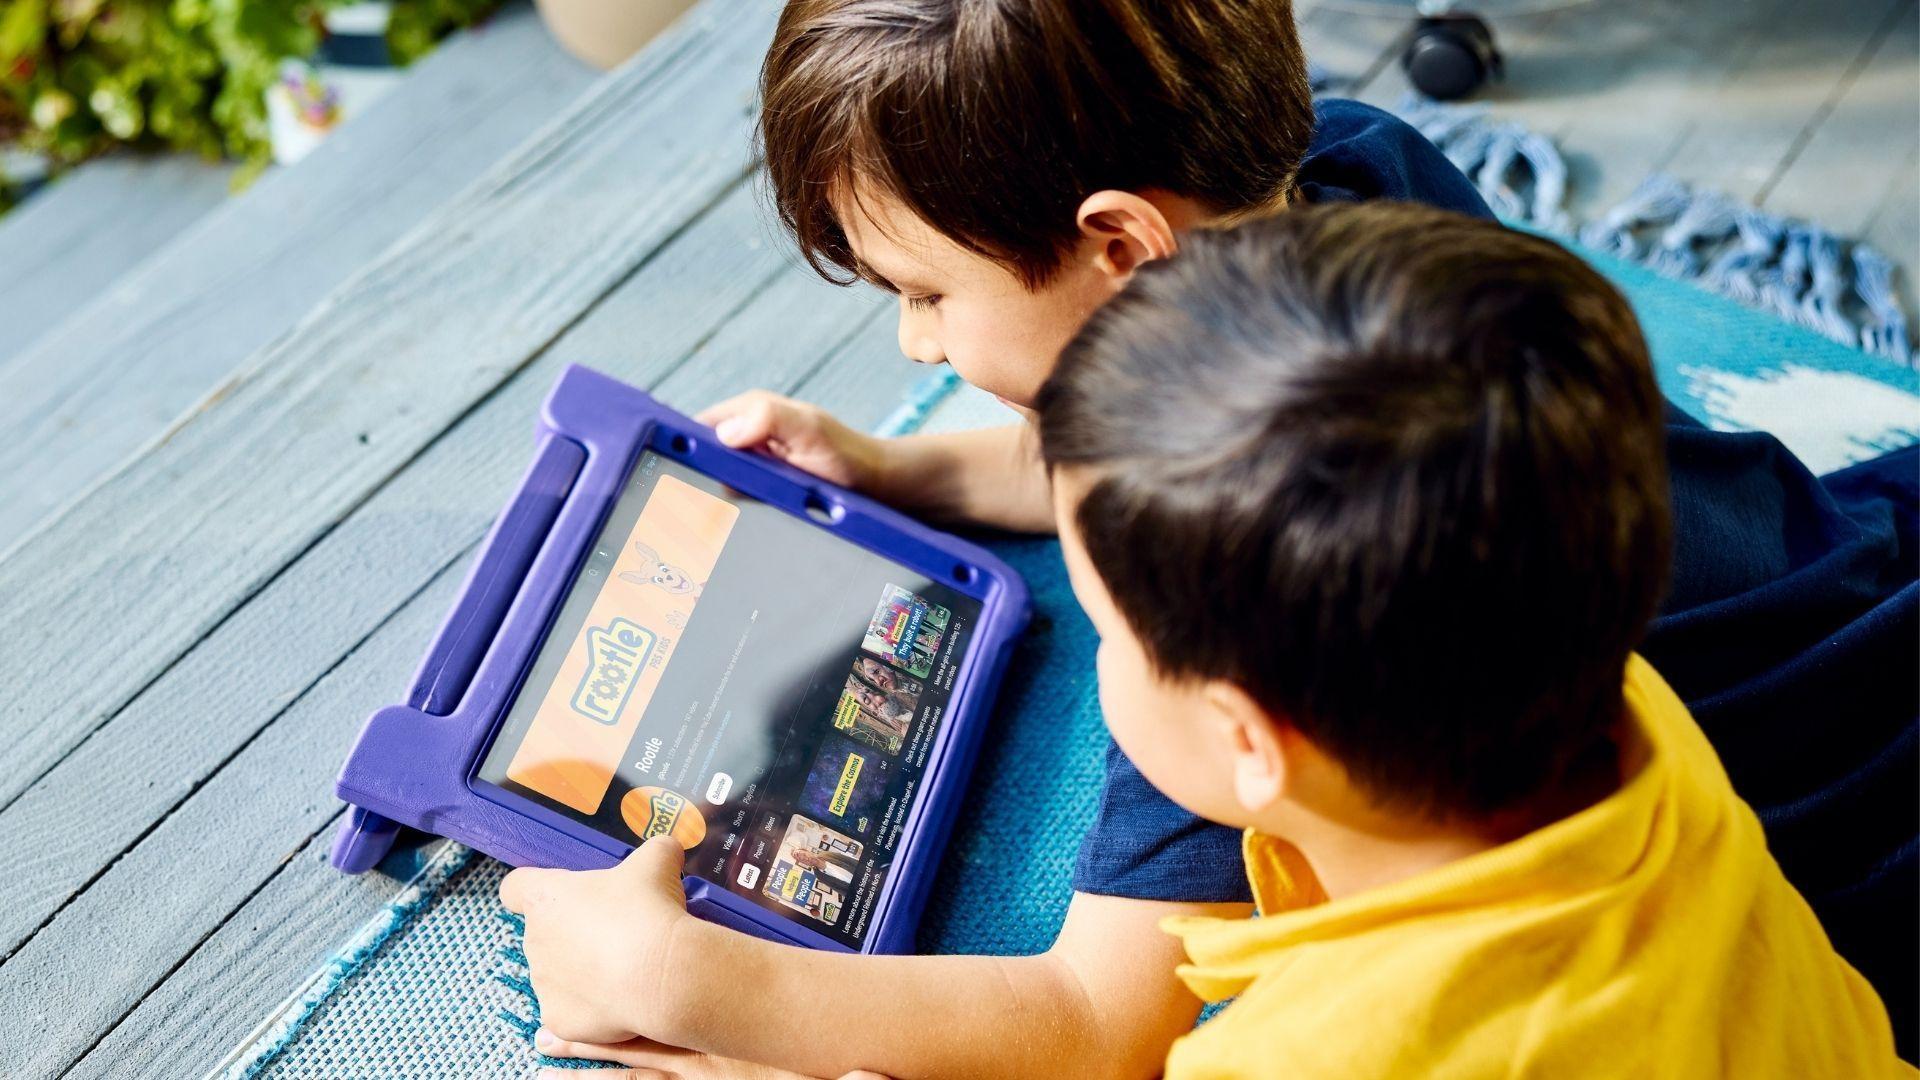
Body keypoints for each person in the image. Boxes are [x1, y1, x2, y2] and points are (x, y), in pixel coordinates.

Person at [497, 0, 1917, 1072]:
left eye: (923, 294)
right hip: (1826, 557)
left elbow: (1093, 1025)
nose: (914, 340)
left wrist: (691, 986)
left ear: (1121, 245)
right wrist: (902, 469)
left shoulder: (1278, 638)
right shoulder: (1366, 195)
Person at [1027, 204, 1905, 1076]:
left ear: (1250, 741)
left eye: (1107, 630)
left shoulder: (1289, 1061)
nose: (1099, 652)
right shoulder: (1634, 708)